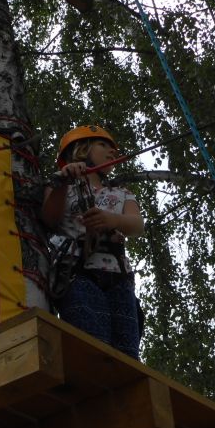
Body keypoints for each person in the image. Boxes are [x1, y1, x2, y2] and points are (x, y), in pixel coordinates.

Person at [41, 124, 145, 359]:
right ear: (80, 149)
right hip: (77, 274)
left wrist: (111, 219)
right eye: (103, 145)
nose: (112, 151)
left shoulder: (122, 193)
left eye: (112, 148)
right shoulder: (59, 185)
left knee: (127, 351)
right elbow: (49, 218)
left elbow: (137, 225)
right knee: (91, 345)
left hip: (119, 277)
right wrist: (64, 181)